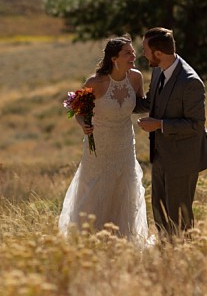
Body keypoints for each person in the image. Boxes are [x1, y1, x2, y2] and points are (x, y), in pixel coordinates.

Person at [58, 35, 150, 245]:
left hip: (125, 143)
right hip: (99, 147)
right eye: (128, 52)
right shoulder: (95, 83)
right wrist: (83, 125)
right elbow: (77, 109)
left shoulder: (135, 78)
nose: (133, 55)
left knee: (125, 187)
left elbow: (138, 104)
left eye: (133, 52)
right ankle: (90, 240)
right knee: (96, 189)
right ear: (114, 58)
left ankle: (123, 240)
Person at [136, 27, 207, 236]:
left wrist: (159, 124)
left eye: (145, 50)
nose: (142, 55)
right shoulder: (157, 71)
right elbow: (150, 102)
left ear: (158, 53)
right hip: (160, 155)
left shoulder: (190, 82)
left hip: (183, 158)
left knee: (179, 217)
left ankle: (184, 258)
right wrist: (112, 99)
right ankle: (166, 256)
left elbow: (196, 124)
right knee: (159, 211)